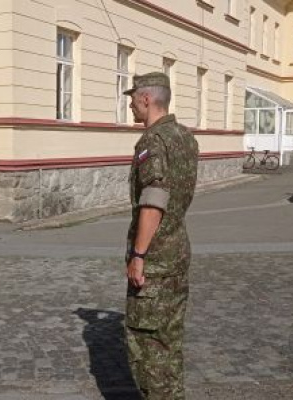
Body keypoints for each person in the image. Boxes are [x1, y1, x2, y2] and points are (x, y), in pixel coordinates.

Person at [122, 72, 199, 399]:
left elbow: (154, 200)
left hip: (154, 259)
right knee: (169, 340)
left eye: (132, 99)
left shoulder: (153, 141)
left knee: (148, 346)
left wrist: (138, 255)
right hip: (177, 252)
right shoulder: (185, 136)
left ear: (146, 98)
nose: (130, 105)